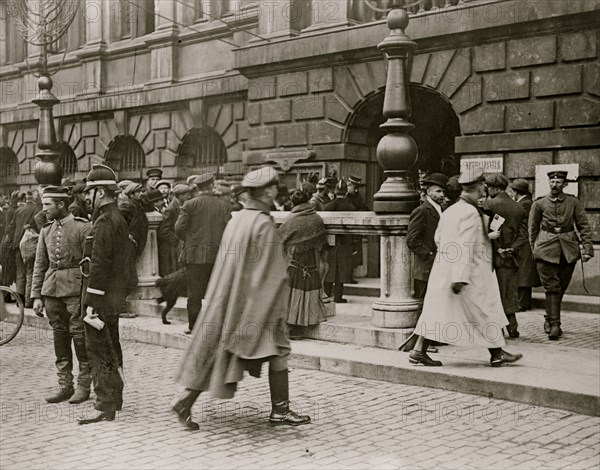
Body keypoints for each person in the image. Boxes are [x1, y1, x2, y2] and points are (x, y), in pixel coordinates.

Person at [171, 166, 310, 430]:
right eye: (269, 188)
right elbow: (271, 272)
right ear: (261, 192)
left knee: (217, 353)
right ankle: (280, 411)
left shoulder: (239, 219)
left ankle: (185, 402)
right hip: (258, 306)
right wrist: (273, 308)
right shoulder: (262, 224)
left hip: (230, 302)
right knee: (279, 351)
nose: (273, 192)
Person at [410, 167, 523, 368]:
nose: (484, 190)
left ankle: (419, 350)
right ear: (476, 187)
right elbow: (465, 246)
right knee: (484, 311)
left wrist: (449, 264)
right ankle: (497, 353)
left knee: (437, 311)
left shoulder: (451, 210)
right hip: (468, 275)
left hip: (445, 270)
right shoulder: (471, 213)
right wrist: (460, 277)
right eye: (481, 186)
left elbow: (438, 238)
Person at [77, 164, 133, 424]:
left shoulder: (103, 222)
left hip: (101, 298)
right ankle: (111, 401)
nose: (87, 198)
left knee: (98, 349)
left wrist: (91, 303)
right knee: (111, 347)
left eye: (90, 192)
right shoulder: (117, 218)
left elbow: (99, 265)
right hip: (113, 296)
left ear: (100, 192)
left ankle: (105, 404)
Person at [31, 186, 92, 404]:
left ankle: (84, 385)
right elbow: (40, 264)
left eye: (47, 204)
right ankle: (65, 384)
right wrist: (36, 295)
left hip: (76, 289)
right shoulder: (46, 230)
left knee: (79, 336)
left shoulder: (82, 227)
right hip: (52, 290)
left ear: (61, 205)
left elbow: (92, 263)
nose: (43, 209)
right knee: (59, 336)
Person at [529, 170, 594, 340]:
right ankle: (555, 325)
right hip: (545, 250)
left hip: (568, 251)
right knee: (552, 287)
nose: (554, 185)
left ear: (564, 184)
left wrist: (587, 247)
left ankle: (549, 319)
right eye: (552, 182)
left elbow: (583, 226)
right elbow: (532, 230)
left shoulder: (573, 202)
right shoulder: (539, 203)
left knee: (561, 287)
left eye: (558, 182)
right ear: (548, 183)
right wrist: (534, 250)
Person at [175, 173, 231, 334]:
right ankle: (217, 327)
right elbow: (229, 230)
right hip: (217, 256)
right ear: (212, 185)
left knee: (194, 294)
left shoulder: (189, 204)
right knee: (216, 292)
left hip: (193, 256)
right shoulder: (223, 205)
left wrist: (191, 240)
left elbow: (179, 228)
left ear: (197, 188)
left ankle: (194, 326)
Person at [403, 173, 448, 352]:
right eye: (438, 191)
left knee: (435, 303)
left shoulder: (440, 209)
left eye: (443, 191)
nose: (442, 194)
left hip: (436, 266)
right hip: (426, 267)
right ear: (428, 191)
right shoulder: (422, 210)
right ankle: (420, 343)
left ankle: (432, 338)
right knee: (424, 305)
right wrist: (430, 255)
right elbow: (412, 240)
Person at [279, 190, 328, 339]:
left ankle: (293, 325)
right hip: (312, 260)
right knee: (308, 287)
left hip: (295, 260)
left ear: (293, 203)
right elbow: (322, 243)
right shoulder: (317, 218)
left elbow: (280, 237)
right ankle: (307, 320)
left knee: (294, 289)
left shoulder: (291, 219)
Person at [484, 174, 526, 338]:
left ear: (493, 188)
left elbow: (488, 231)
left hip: (492, 257)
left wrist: (498, 249)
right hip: (510, 258)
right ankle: (512, 328)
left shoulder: (490, 205)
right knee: (509, 292)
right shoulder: (518, 207)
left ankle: (496, 329)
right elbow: (523, 235)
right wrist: (511, 249)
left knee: (493, 293)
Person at [323, 181, 355, 303]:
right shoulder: (351, 208)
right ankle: (338, 296)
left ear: (335, 192)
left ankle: (326, 294)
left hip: (330, 244)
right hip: (344, 243)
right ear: (346, 192)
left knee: (329, 269)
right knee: (341, 271)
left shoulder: (328, 207)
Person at [510, 179, 539, 312]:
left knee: (523, 273)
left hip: (524, 242)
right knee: (524, 272)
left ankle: (523, 303)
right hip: (526, 241)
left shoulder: (524, 204)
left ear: (516, 192)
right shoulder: (528, 202)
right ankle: (523, 302)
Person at [5, 191, 38, 307]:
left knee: (20, 273)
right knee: (30, 272)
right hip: (31, 245)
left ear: (25, 200)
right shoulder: (37, 210)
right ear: (33, 199)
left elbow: (11, 227)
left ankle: (20, 301)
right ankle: (28, 301)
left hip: (18, 246)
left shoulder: (19, 210)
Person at [158, 184, 192, 276]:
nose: (189, 196)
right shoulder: (171, 209)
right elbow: (163, 230)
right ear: (180, 196)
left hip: (179, 245)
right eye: (187, 194)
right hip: (173, 248)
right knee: (175, 271)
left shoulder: (181, 205)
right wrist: (177, 241)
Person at [346, 176, 367, 284]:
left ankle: (350, 275)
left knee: (354, 253)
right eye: (353, 186)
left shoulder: (358, 198)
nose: (355, 189)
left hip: (354, 230)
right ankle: (348, 276)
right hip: (348, 231)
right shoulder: (346, 197)